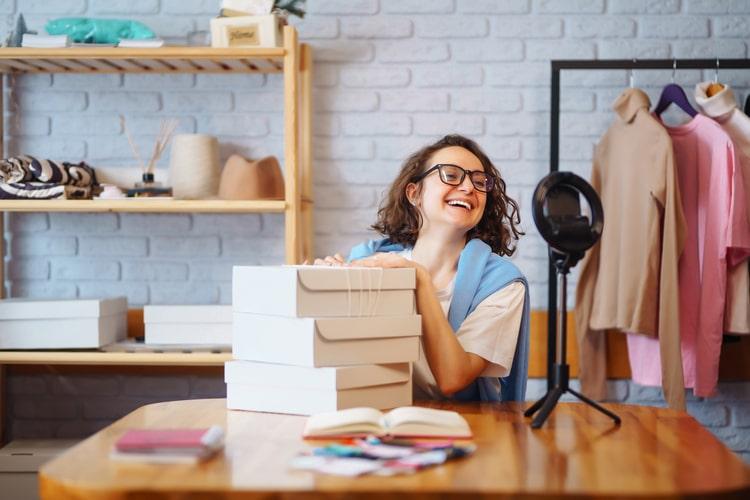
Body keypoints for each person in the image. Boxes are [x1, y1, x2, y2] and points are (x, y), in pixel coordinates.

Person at [315, 134, 530, 402]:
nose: (468, 187)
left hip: (466, 427)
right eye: (451, 175)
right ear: (414, 193)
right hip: (377, 417)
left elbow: (454, 378)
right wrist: (318, 288)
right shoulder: (368, 260)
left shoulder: (503, 284)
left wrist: (420, 279)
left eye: (479, 182)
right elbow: (330, 356)